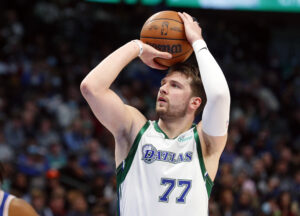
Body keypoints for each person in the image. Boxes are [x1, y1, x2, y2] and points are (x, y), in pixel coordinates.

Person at [80, 12, 230, 216]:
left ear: (195, 102)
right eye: (163, 83)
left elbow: (220, 95)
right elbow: (91, 88)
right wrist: (137, 47)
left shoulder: (205, 143)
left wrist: (197, 41)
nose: (164, 89)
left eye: (175, 86)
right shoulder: (135, 130)